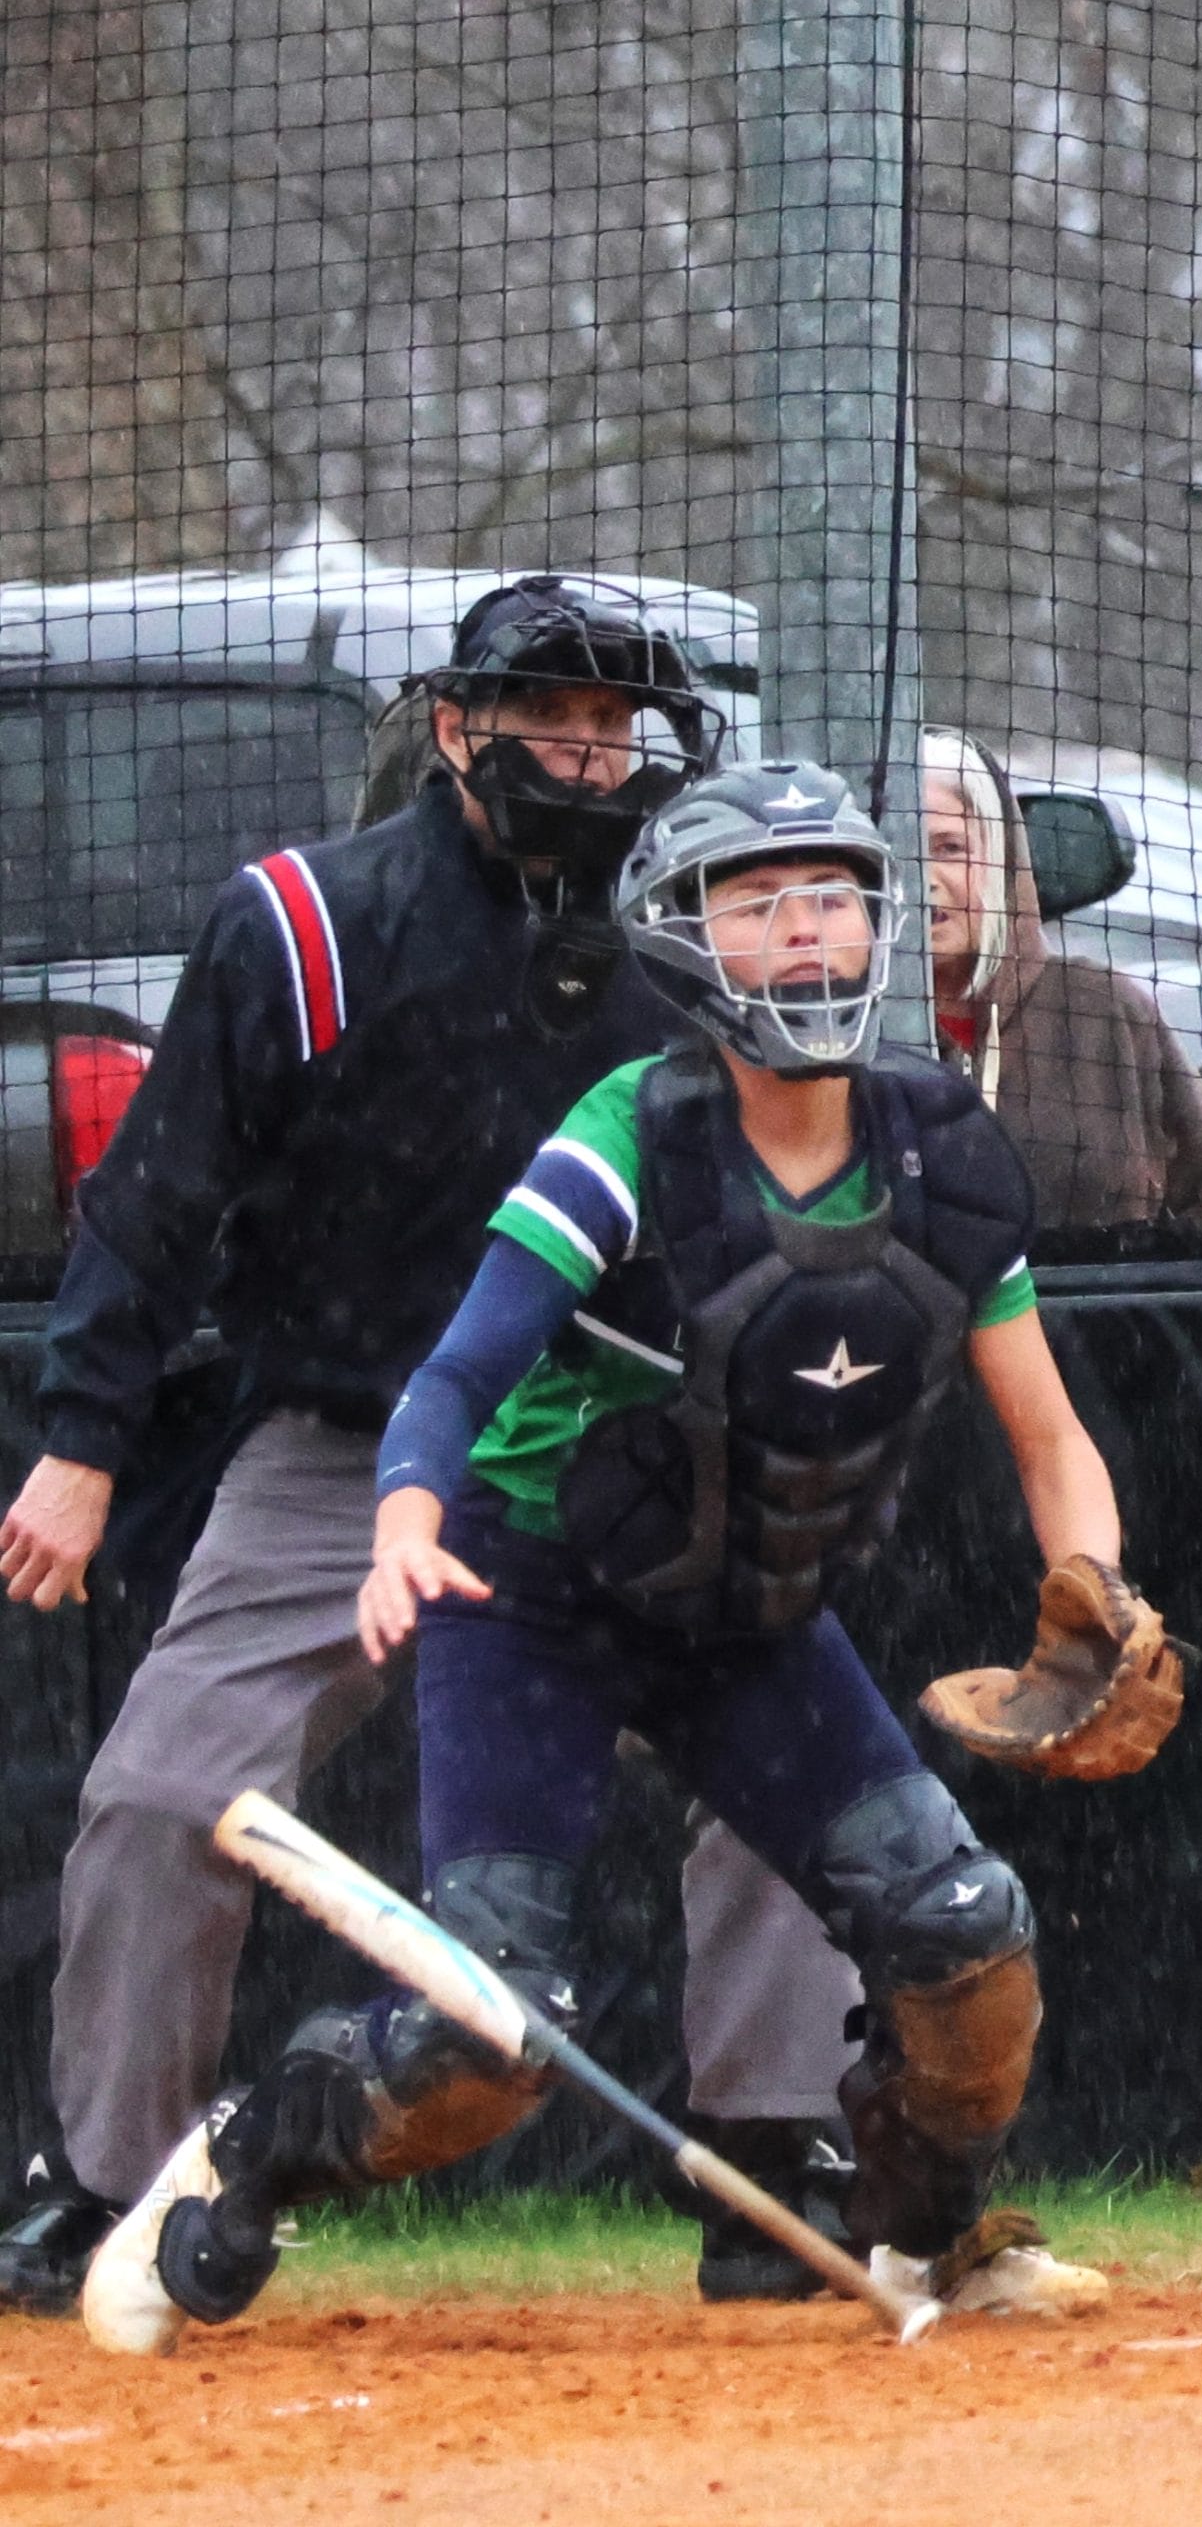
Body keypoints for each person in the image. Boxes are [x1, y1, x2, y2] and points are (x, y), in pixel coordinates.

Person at [79, 760, 1141, 2354]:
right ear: (683, 935)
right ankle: (246, 2159)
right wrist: (404, 1527)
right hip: (538, 1602)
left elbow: (1051, 1438)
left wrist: (1094, 1600)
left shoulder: (936, 1145)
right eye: (760, 901)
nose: (808, 933)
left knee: (965, 1939)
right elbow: (452, 1379)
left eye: (835, 897)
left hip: (751, 1615)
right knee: (485, 2035)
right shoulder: (631, 1136)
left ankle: (927, 2235)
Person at [0, 579, 865, 2318]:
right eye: (554, 713)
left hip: (610, 1447)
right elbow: (155, 1199)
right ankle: (108, 2181)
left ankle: (777, 2162)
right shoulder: (309, 926)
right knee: (160, 1798)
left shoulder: (678, 937)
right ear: (458, 730)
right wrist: (81, 1439)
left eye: (621, 722)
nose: (592, 750)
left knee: (797, 1764)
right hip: (339, 1452)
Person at [920, 729, 1202, 1228]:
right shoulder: (844, 1037)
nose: (924, 876)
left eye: (949, 848)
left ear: (1002, 859)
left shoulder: (1102, 1010)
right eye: (901, 850)